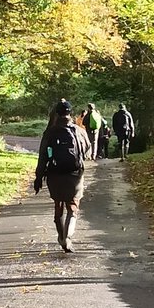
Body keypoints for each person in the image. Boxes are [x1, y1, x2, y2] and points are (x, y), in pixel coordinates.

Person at [34, 100, 91, 252]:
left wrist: (39, 177)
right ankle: (68, 238)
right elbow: (87, 149)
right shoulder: (78, 130)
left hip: (55, 174)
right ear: (70, 113)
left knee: (58, 206)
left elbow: (42, 157)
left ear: (57, 114)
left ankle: (61, 237)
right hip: (75, 175)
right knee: (73, 207)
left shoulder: (50, 133)